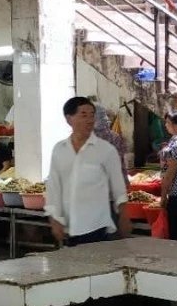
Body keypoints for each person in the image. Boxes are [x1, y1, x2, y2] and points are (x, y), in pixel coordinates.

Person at [45, 96, 131, 246]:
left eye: (92, 115)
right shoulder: (60, 149)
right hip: (70, 223)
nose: (90, 120)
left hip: (97, 222)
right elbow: (54, 186)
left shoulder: (105, 149)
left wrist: (124, 217)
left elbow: (119, 186)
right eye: (83, 115)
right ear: (69, 119)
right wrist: (54, 218)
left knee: (99, 257)